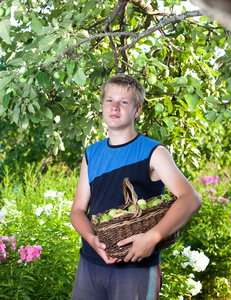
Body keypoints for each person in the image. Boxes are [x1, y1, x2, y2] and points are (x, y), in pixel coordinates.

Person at [70, 74, 201, 300]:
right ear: (102, 106)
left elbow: (190, 199)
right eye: (109, 100)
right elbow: (78, 210)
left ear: (137, 110)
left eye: (124, 102)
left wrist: (152, 237)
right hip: (91, 263)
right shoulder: (92, 153)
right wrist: (92, 240)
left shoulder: (153, 152)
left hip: (135, 267)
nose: (114, 107)